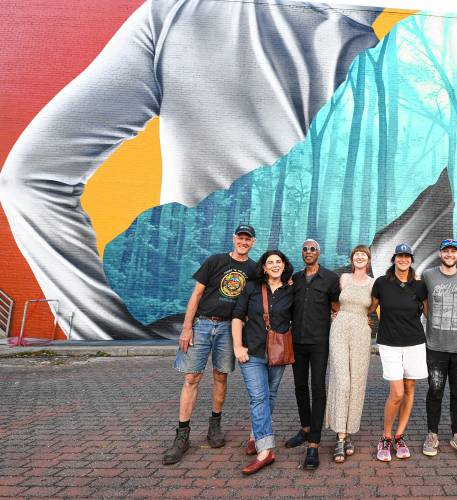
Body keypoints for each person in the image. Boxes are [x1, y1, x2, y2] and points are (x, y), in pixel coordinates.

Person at [0, 0, 382, 340]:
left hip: (204, 316)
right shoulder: (382, 64)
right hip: (267, 323)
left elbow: (29, 181)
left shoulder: (174, 13)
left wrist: (107, 331)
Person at [162, 224, 256, 465]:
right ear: (234, 238)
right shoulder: (215, 261)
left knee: (221, 376)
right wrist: (186, 327)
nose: (243, 242)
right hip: (203, 325)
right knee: (192, 378)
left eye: (248, 239)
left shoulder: (253, 269)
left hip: (228, 328)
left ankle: (215, 425)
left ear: (253, 242)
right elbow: (196, 294)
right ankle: (182, 435)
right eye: (241, 238)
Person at [232, 250, 294, 475]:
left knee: (270, 395)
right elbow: (238, 316)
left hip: (278, 353)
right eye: (271, 262)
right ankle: (266, 450)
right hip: (252, 352)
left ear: (284, 266)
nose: (275, 265)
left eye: (279, 262)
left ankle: (255, 435)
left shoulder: (291, 290)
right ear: (264, 267)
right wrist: (238, 346)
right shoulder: (251, 287)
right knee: (258, 397)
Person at [285, 239, 340, 470]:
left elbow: (337, 309)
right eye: (305, 248)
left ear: (319, 253)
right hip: (297, 342)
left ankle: (314, 445)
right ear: (302, 252)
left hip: (319, 343)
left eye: (312, 249)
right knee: (299, 387)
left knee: (318, 388)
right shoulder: (295, 279)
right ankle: (305, 429)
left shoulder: (330, 279)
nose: (308, 252)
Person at [370, 243, 428, 462]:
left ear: (411, 260)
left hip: (414, 342)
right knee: (397, 392)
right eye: (399, 256)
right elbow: (369, 307)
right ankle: (385, 437)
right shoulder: (382, 284)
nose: (403, 260)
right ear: (394, 259)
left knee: (410, 388)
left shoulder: (420, 286)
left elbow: (429, 313)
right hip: (389, 343)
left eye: (407, 256)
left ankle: (399, 436)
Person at [420, 239, 457, 459]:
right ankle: (432, 434)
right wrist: (429, 317)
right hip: (436, 346)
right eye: (446, 251)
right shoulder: (428, 276)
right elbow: (423, 301)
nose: (450, 254)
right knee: (435, 392)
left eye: (454, 251)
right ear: (439, 253)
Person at [325, 245, 375, 463]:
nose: (360, 258)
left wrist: (365, 318)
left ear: (369, 260)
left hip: (361, 331)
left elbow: (373, 307)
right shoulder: (343, 278)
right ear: (352, 259)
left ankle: (348, 433)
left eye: (363, 255)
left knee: (356, 383)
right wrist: (334, 313)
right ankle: (339, 435)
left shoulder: (374, 283)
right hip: (340, 328)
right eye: (356, 255)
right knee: (342, 381)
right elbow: (331, 299)